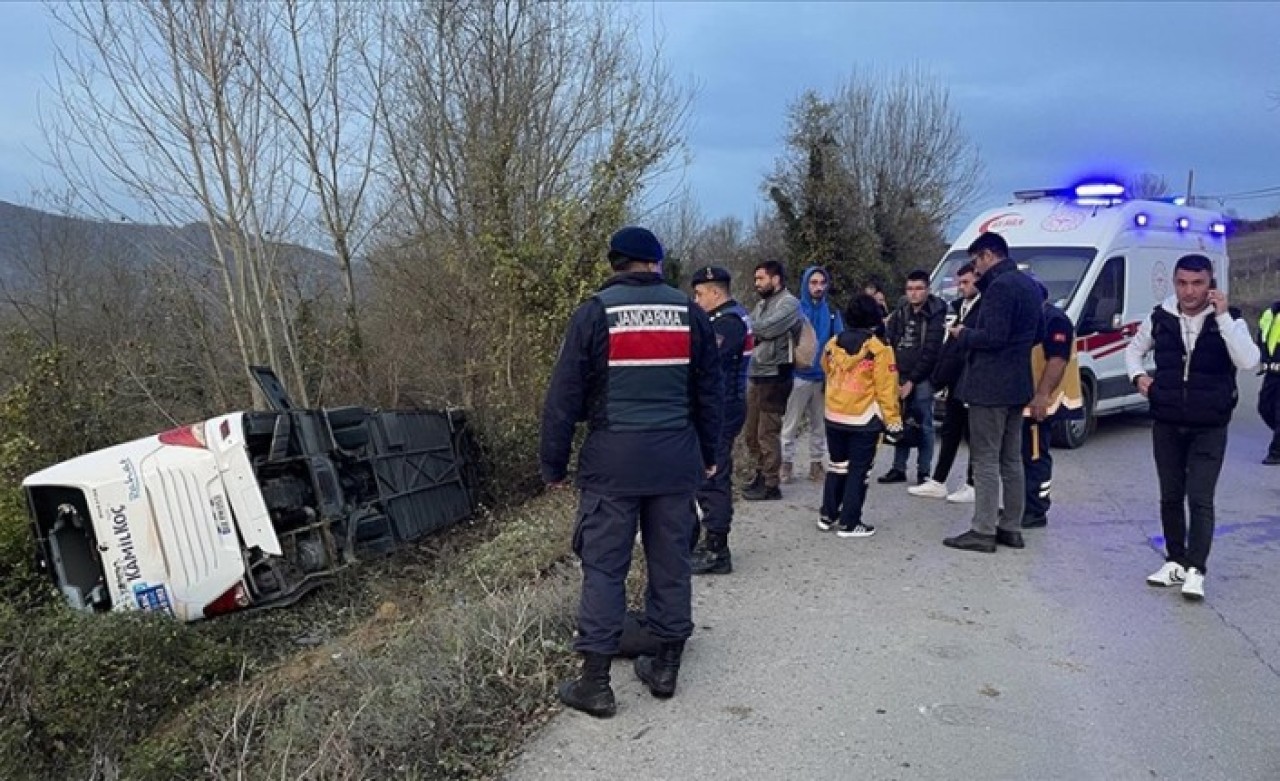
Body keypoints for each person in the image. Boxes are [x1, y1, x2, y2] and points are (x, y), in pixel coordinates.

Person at [540, 226, 723, 717]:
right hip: (675, 460)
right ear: (658, 263)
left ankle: (595, 685)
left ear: (614, 263)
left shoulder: (595, 312)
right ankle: (664, 669)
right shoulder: (691, 313)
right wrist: (711, 452)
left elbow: (563, 397)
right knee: (672, 562)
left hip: (611, 464)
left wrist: (553, 463)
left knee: (603, 569)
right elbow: (710, 393)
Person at [1126, 254, 1258, 600]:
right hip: (1167, 420)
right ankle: (1175, 561)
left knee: (1200, 497)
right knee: (1170, 495)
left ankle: (1196, 569)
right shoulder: (1160, 318)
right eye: (1182, 283)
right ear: (1174, 282)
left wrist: (1224, 316)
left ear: (1210, 283)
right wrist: (1138, 377)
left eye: (1197, 283)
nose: (1189, 291)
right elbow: (1133, 351)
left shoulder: (1230, 321)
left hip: (1209, 423)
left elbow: (1248, 360)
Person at [942, 231, 1043, 553]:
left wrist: (963, 333)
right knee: (1011, 458)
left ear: (988, 255)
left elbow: (993, 337)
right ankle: (1011, 526)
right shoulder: (1029, 285)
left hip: (991, 385)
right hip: (1018, 384)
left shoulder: (999, 288)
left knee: (985, 458)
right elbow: (1038, 333)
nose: (976, 270)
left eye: (976, 262)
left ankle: (983, 530)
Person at [817, 294, 903, 538]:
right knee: (859, 471)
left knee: (837, 465)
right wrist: (893, 422)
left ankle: (828, 514)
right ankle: (850, 522)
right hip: (864, 418)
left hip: (834, 414)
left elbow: (826, 368)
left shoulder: (833, 344)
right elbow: (887, 390)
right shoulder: (879, 349)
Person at [689, 265, 752, 575]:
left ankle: (717, 548)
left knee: (713, 475)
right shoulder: (730, 318)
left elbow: (705, 361)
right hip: (725, 405)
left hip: (724, 407)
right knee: (706, 475)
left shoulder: (728, 324)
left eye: (700, 294)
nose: (697, 301)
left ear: (716, 292)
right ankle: (706, 538)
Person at [910, 262, 980, 502]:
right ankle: (939, 480)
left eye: (966, 282)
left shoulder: (982, 309)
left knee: (973, 435)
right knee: (950, 431)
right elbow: (949, 347)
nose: (961, 288)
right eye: (959, 283)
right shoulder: (959, 308)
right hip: (955, 382)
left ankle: (972, 484)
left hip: (972, 380)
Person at [1020, 279, 1082, 529]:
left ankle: (1036, 508)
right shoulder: (1038, 317)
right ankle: (1024, 502)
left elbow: (1057, 360)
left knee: (1036, 455)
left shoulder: (1055, 320)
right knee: (1025, 454)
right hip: (1029, 399)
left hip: (1043, 401)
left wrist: (1042, 395)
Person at [878, 270, 946, 485]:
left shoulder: (935, 313)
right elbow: (889, 340)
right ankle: (898, 468)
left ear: (927, 290)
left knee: (925, 424)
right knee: (900, 422)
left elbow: (931, 352)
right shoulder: (901, 312)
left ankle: (924, 472)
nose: (914, 294)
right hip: (898, 373)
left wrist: (911, 381)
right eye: (910, 289)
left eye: (919, 289)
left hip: (922, 378)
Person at [742, 260, 800, 501]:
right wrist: (752, 329)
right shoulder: (763, 303)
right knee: (751, 432)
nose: (757, 284)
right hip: (758, 373)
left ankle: (771, 483)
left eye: (761, 279)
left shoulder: (789, 303)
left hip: (776, 375)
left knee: (767, 432)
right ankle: (759, 474)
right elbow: (753, 328)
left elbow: (765, 329)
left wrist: (751, 329)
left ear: (775, 279)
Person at [781, 266, 844, 483]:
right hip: (798, 375)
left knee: (820, 425)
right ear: (806, 284)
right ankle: (786, 464)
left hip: (823, 377)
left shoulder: (833, 311)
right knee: (790, 424)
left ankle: (816, 464)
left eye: (821, 283)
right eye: (813, 283)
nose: (818, 287)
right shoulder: (795, 311)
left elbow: (840, 341)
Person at [1257, 299, 1280, 465]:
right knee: (1264, 407)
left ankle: (1276, 452)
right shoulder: (1270, 312)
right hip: (1271, 372)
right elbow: (1262, 337)